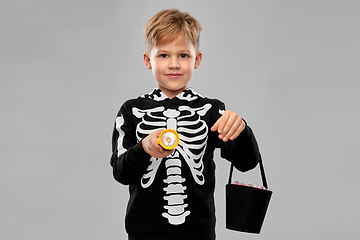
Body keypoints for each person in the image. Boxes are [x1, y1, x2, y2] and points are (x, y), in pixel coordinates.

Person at [110, 8, 261, 240]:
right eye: (163, 55)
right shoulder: (130, 110)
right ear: (148, 60)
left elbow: (246, 162)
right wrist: (143, 148)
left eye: (183, 55)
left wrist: (242, 130)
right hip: (143, 232)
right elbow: (121, 172)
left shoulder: (211, 110)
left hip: (199, 232)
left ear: (197, 59)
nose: (173, 64)